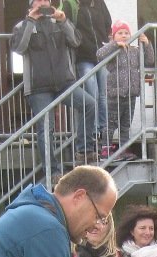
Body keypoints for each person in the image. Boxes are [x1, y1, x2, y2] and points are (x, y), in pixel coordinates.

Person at [11, 0, 98, 166]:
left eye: (46, 0)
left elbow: (76, 41)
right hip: (38, 86)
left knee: (89, 104)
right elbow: (19, 48)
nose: (43, 2)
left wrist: (63, 20)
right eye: (39, 0)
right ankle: (52, 171)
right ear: (31, 3)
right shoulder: (22, 26)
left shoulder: (58, 21)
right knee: (46, 128)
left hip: (64, 82)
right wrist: (31, 20)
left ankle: (84, 151)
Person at [97, 20, 153, 159]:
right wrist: (114, 45)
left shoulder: (134, 51)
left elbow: (149, 60)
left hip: (131, 94)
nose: (124, 35)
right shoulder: (113, 49)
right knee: (110, 124)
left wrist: (147, 44)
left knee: (125, 125)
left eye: (126, 33)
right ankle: (105, 149)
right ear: (113, 36)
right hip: (115, 94)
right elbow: (99, 54)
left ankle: (123, 149)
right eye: (120, 33)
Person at [66, 0, 112, 150]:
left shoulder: (99, 3)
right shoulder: (73, 5)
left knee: (103, 95)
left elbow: (108, 22)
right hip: (84, 57)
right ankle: (93, 131)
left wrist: (105, 41)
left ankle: (104, 131)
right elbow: (69, 28)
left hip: (101, 55)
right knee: (93, 94)